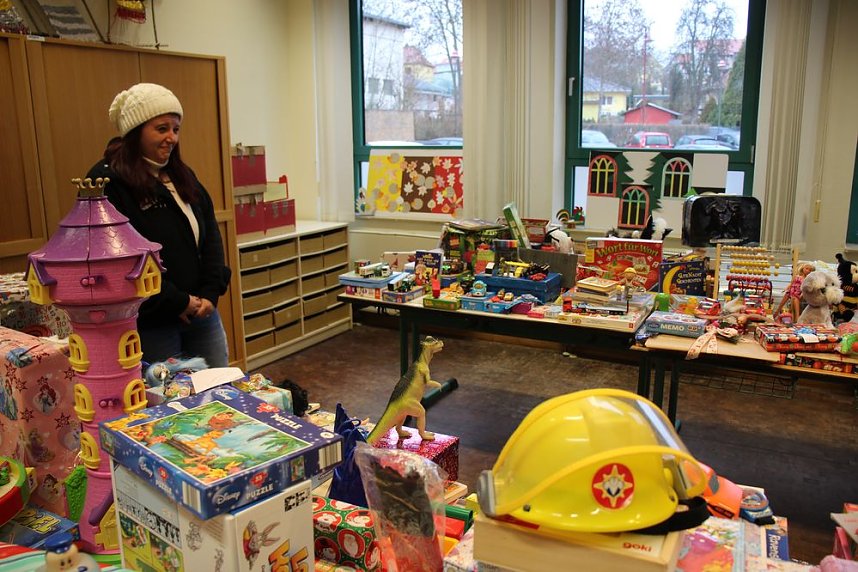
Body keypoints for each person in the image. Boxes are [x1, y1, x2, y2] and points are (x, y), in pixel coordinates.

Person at [87, 83, 231, 367]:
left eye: (175, 129)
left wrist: (209, 294)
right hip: (154, 321)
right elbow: (122, 261)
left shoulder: (180, 175)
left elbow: (210, 235)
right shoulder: (109, 181)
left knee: (220, 391)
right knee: (168, 402)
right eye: (162, 129)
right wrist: (178, 302)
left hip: (202, 312)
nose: (171, 138)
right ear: (136, 131)